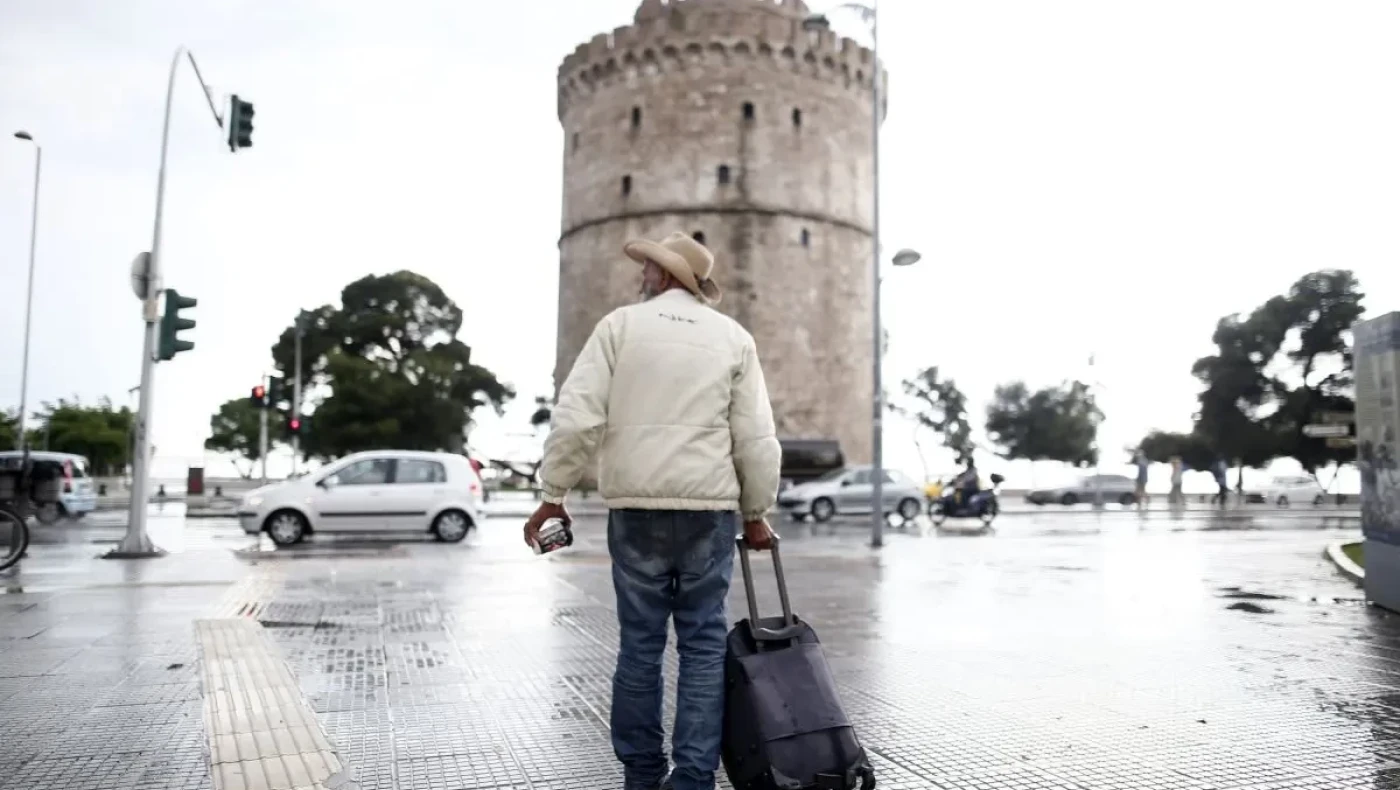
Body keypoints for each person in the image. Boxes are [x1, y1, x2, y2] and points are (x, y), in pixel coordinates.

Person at [524, 231, 781, 790]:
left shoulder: (619, 327)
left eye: (648, 268)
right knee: (703, 647)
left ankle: (642, 777)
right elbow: (756, 437)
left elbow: (577, 417)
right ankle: (691, 779)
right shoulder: (733, 339)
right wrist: (756, 512)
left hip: (635, 511)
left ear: (665, 277)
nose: (642, 275)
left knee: (640, 645)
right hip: (707, 513)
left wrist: (553, 494)